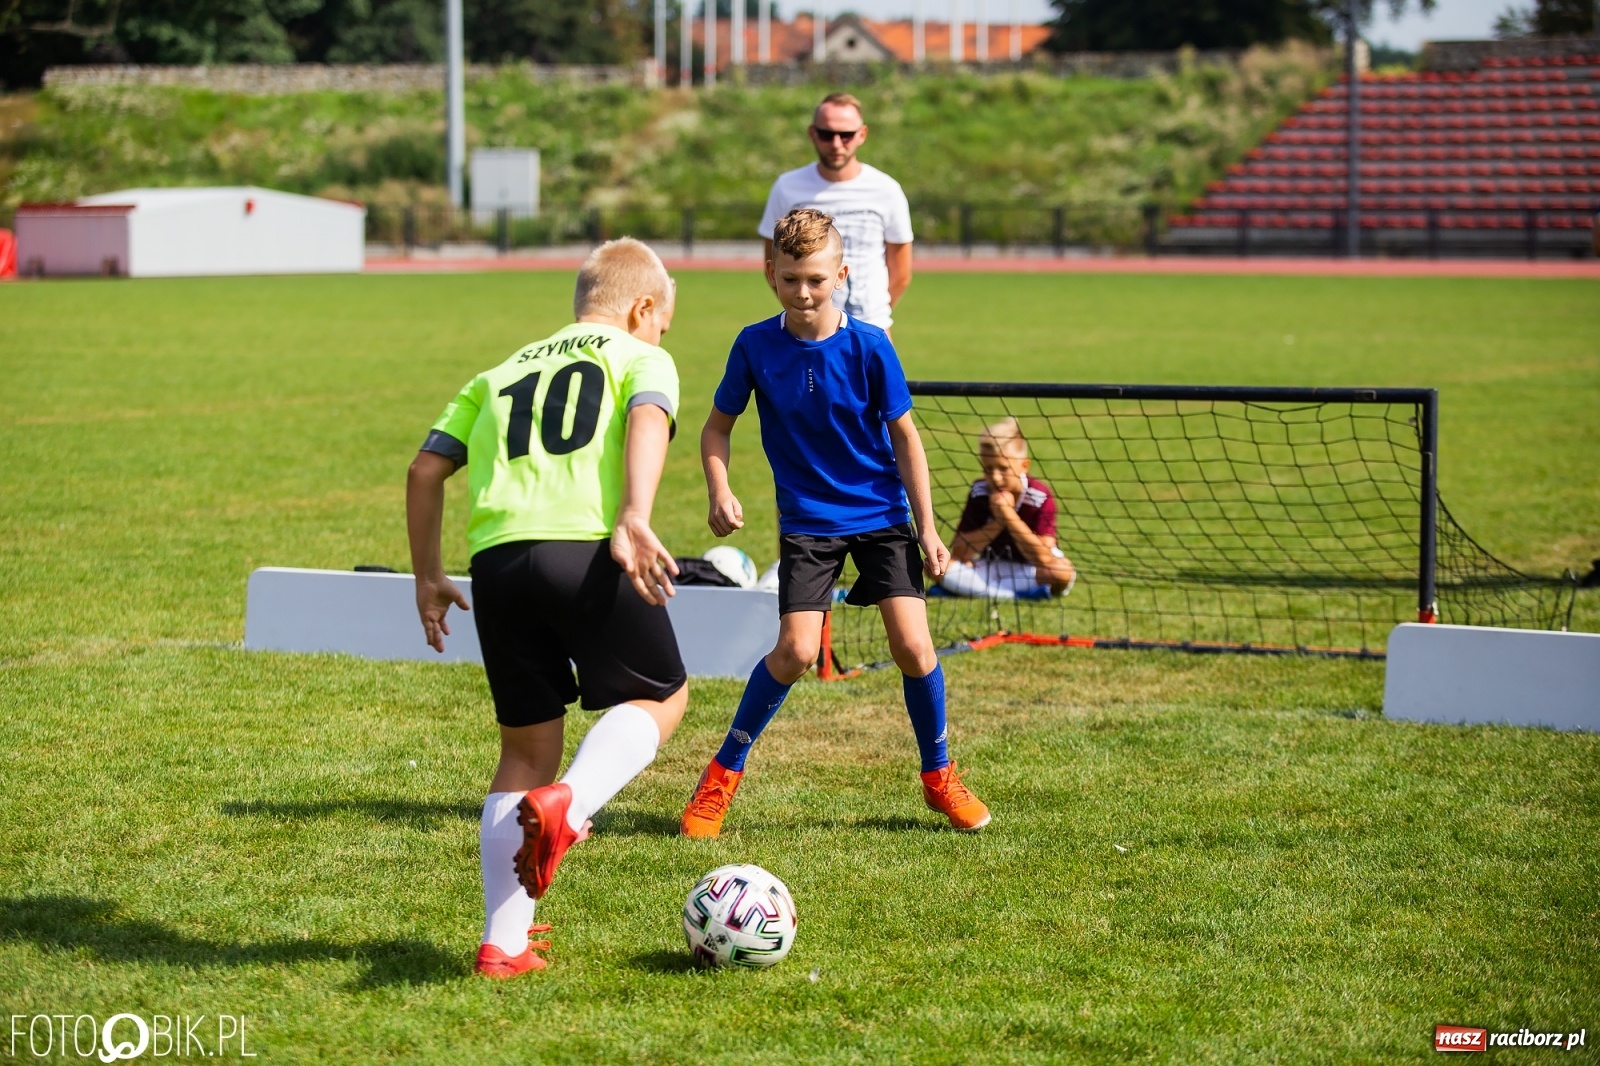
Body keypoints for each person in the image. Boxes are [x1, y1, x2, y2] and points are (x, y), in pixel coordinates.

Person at [406, 238, 688, 979]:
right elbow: (648, 420)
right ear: (643, 307)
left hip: (498, 564)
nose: (662, 338)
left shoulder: (498, 373)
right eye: (663, 324)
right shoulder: (640, 356)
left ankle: (503, 945)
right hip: (586, 550)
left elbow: (425, 468)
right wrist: (634, 511)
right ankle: (573, 803)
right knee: (661, 696)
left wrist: (427, 575)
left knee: (523, 752)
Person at [680, 207, 990, 840]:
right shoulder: (754, 345)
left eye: (817, 279)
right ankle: (720, 777)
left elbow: (907, 440)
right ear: (771, 275)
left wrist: (927, 528)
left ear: (841, 274)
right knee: (795, 650)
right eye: (792, 278)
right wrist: (720, 488)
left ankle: (939, 776)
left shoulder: (872, 345)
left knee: (914, 647)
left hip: (881, 514)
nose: (804, 292)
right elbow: (716, 427)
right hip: (809, 522)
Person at [759, 92, 913, 333]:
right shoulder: (787, 187)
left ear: (862, 134)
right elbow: (774, 260)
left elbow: (901, 272)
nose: (836, 143)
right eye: (826, 134)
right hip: (808, 334)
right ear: (812, 133)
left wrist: (870, 317)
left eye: (847, 135)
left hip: (872, 329)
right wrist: (807, 312)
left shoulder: (886, 190)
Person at [941, 418, 1076, 601]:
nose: (995, 478)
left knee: (1061, 573)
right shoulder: (980, 492)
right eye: (988, 469)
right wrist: (998, 520)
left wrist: (1008, 514)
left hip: (1031, 569)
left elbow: (1043, 558)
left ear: (1024, 465)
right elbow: (960, 552)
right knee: (937, 566)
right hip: (992, 566)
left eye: (1003, 469)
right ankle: (1012, 595)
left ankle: (983, 592)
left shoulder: (1039, 496)